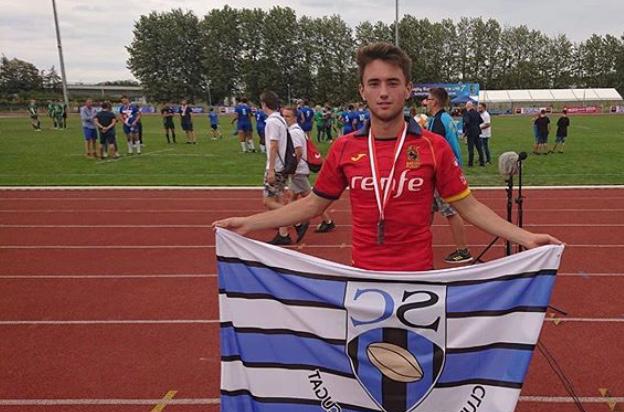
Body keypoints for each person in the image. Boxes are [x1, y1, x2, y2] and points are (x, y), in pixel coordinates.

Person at [213, 42, 561, 272]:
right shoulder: (345, 147)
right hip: (363, 276)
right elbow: (313, 205)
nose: (383, 92)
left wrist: (525, 238)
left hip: (418, 277)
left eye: (393, 83)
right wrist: (250, 223)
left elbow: (470, 208)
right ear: (362, 90)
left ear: (408, 89)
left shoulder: (433, 147)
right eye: (374, 83)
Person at [425, 87, 473, 264]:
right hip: (444, 170)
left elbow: (435, 150)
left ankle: (463, 250)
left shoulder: (438, 121)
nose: (425, 102)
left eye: (428, 99)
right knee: (426, 210)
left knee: (451, 211)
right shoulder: (443, 118)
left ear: (435, 102)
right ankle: (417, 243)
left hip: (443, 173)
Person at [257, 91, 309, 245]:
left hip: (277, 168)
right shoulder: (280, 120)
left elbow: (273, 145)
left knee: (268, 201)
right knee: (277, 198)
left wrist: (271, 169)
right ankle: (283, 233)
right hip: (282, 166)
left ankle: (297, 221)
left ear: (264, 104)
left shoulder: (273, 122)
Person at [283, 105, 336, 234]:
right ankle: (285, 223)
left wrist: (291, 169)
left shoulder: (294, 132)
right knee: (291, 197)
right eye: (283, 116)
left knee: (312, 201)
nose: (285, 119)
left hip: (298, 170)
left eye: (288, 116)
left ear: (295, 117)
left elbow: (298, 152)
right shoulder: (297, 130)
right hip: (300, 169)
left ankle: (327, 221)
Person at [462, 101, 484, 166]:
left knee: (471, 149)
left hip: (470, 132)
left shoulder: (467, 113)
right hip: (477, 132)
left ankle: (470, 163)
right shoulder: (477, 113)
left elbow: (466, 122)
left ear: (467, 106)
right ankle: (482, 162)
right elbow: (481, 121)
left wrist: (464, 132)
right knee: (479, 148)